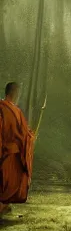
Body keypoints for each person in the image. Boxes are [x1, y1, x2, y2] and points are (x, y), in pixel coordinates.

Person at [0, 82, 35, 215]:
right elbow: (24, 134)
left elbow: (24, 131)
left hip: (7, 152)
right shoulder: (12, 110)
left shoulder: (9, 109)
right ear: (15, 93)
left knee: (6, 182)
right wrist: (31, 137)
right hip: (10, 153)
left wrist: (29, 135)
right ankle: (2, 206)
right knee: (8, 182)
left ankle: (4, 206)